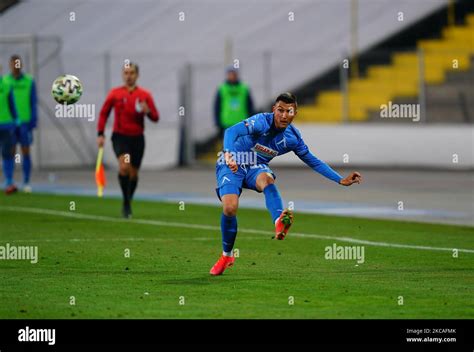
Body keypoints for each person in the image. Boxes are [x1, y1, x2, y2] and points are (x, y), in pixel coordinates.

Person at [210, 92, 362, 276]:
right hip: (232, 161)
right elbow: (231, 132)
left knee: (267, 179)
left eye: (288, 111)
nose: (283, 115)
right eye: (280, 110)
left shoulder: (293, 138)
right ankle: (227, 255)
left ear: (295, 112)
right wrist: (228, 153)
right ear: (274, 110)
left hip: (255, 167)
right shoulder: (261, 121)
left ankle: (279, 222)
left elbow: (313, 160)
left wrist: (340, 179)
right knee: (230, 208)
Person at [97, 63, 159, 218]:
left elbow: (156, 117)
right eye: (126, 72)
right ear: (122, 75)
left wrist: (148, 111)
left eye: (132, 72)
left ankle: (128, 199)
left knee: (134, 174)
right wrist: (100, 133)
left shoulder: (145, 95)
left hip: (137, 139)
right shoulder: (115, 94)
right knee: (124, 167)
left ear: (137, 75)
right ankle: (126, 203)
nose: (128, 75)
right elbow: (104, 113)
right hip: (121, 137)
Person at [4, 55, 37, 192]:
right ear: (10, 65)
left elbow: (33, 101)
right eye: (13, 63)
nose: (16, 66)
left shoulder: (29, 81)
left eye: (18, 63)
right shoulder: (5, 82)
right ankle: (9, 180)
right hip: (10, 123)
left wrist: (33, 121)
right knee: (10, 152)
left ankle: (26, 180)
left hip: (25, 122)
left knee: (26, 151)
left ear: (21, 65)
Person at [214, 66, 254, 137]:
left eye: (234, 74)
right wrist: (218, 123)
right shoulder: (222, 89)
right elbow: (217, 107)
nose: (232, 76)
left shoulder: (244, 88)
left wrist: (251, 121)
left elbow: (250, 106)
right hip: (226, 123)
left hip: (242, 122)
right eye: (230, 74)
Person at [0, 67, 19, 194]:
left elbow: (12, 104)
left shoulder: (7, 85)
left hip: (6, 125)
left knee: (8, 154)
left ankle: (9, 181)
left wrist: (16, 119)